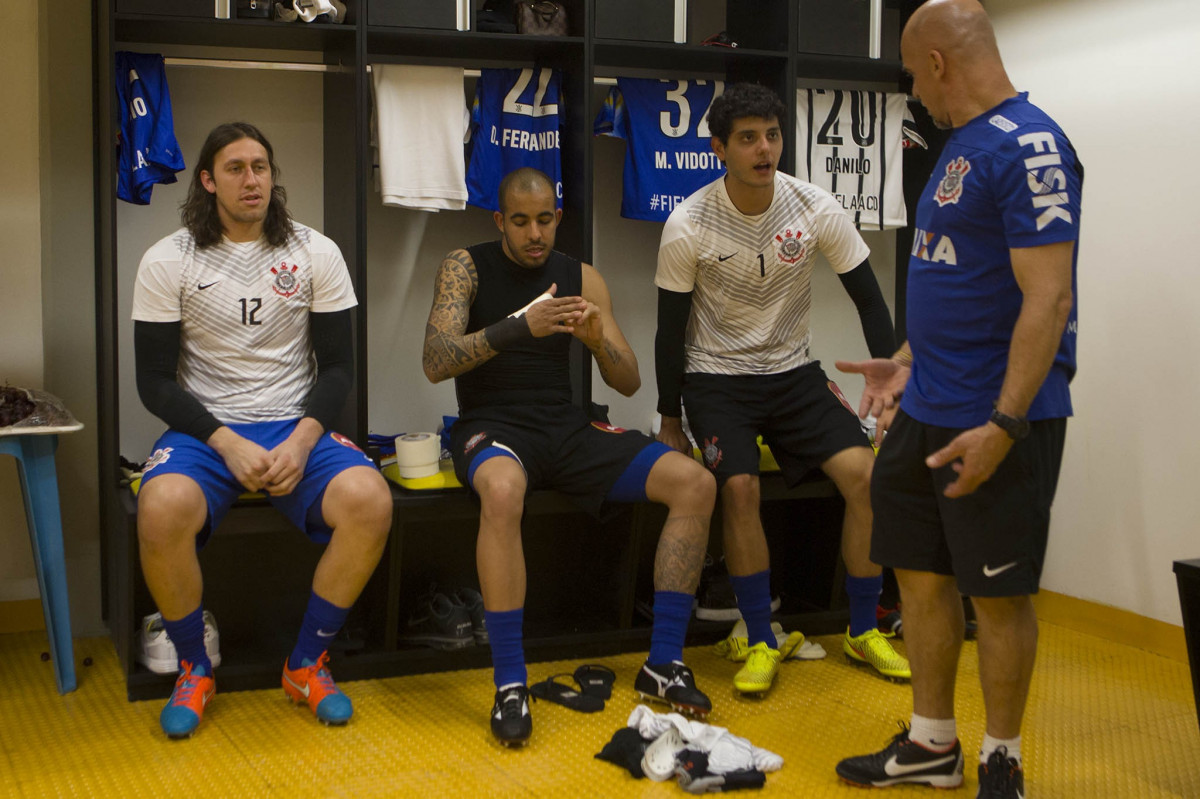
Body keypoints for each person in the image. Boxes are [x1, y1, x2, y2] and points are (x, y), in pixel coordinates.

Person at [834, 2, 1081, 797]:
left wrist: (1004, 425)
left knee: (999, 596)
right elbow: (955, 273)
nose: (915, 90)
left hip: (996, 416)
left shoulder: (1030, 146)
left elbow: (1048, 301)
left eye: (912, 74)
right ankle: (931, 742)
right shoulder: (957, 146)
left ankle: (1001, 756)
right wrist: (903, 361)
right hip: (928, 404)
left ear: (937, 62)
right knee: (920, 575)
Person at [422, 167, 717, 747]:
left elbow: (630, 381)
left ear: (558, 217)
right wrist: (516, 327)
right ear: (499, 220)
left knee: (695, 483)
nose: (535, 234)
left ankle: (662, 663)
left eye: (545, 220)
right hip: (492, 428)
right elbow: (435, 359)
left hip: (569, 428)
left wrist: (595, 340)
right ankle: (510, 682)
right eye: (521, 221)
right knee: (503, 491)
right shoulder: (465, 263)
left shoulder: (582, 276)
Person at [132, 122, 393, 739]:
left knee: (371, 500)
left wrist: (302, 441)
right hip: (207, 431)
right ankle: (194, 668)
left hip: (293, 422)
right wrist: (224, 440)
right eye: (235, 168)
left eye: (261, 167)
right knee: (160, 505)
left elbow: (338, 369)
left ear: (274, 177)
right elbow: (153, 383)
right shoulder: (168, 258)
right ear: (207, 181)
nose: (251, 180)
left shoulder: (315, 251)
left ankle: (306, 663)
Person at [654, 82, 910, 697]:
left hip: (794, 373)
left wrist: (892, 375)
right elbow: (670, 331)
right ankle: (762, 638)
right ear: (720, 147)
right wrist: (669, 418)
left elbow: (870, 300)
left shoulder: (815, 207)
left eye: (771, 135)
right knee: (738, 488)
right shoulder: (688, 222)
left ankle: (860, 629)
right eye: (747, 138)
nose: (763, 149)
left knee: (866, 478)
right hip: (715, 377)